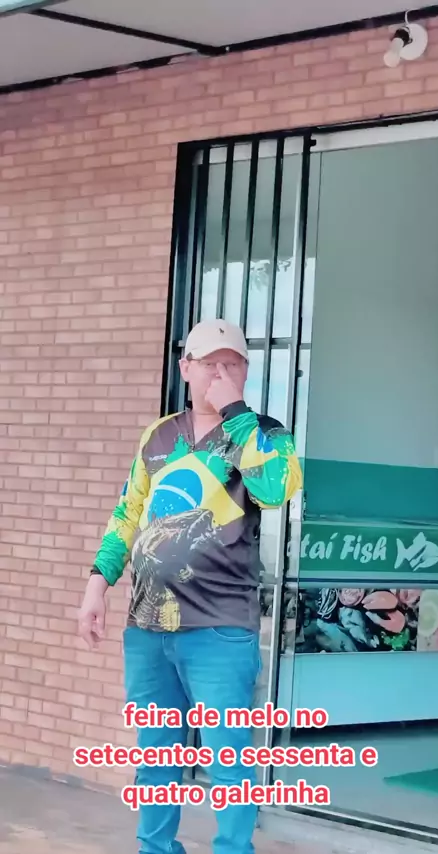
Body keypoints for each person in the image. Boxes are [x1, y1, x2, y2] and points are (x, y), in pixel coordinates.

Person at [78, 318, 303, 854]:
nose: (220, 373)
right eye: (209, 364)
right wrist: (96, 585)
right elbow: (128, 513)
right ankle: (155, 848)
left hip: (220, 629)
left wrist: (236, 414)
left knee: (229, 759)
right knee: (155, 755)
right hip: (147, 627)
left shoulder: (265, 433)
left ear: (246, 371)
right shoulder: (159, 435)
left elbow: (276, 490)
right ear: (185, 369)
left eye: (232, 364)